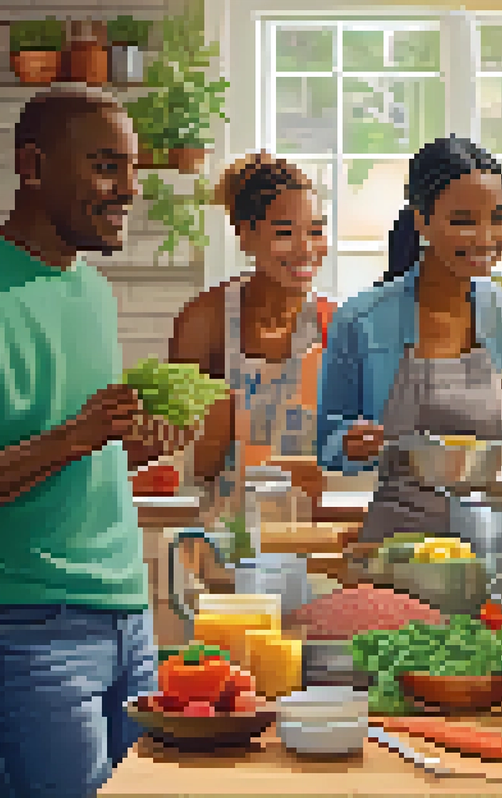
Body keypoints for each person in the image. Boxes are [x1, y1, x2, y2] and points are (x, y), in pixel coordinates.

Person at [0, 87, 195, 797]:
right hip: (17, 634)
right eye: (105, 166)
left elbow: (71, 455)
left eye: (133, 168)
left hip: (128, 622)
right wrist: (71, 439)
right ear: (32, 165)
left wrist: (132, 444)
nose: (128, 189)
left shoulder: (89, 288)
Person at [317, 135, 502, 543]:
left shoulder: (501, 308)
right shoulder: (361, 319)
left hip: (481, 534)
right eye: (463, 221)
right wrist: (353, 444)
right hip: (396, 538)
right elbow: (328, 443)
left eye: (498, 218)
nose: (485, 238)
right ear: (422, 221)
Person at [167, 154, 336, 606]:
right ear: (246, 234)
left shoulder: (331, 325)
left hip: (306, 549)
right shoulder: (206, 322)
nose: (306, 248)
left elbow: (341, 449)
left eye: (316, 230)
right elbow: (185, 457)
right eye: (285, 232)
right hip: (217, 548)